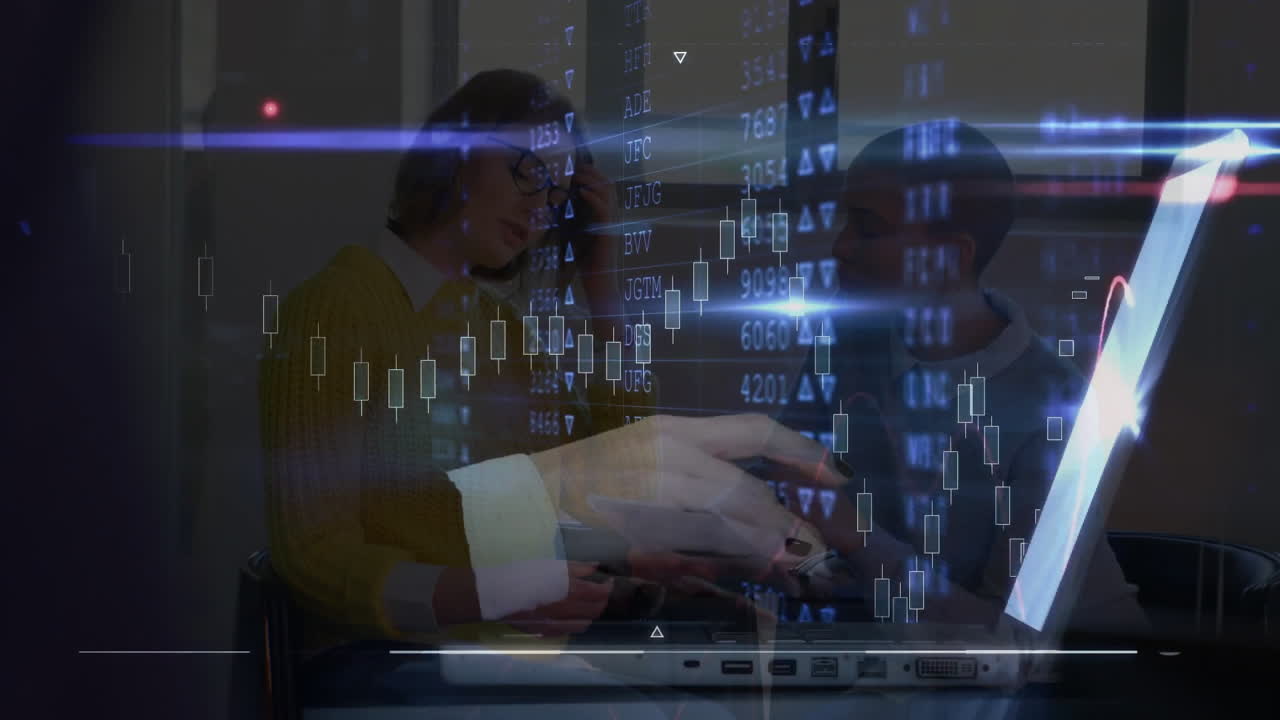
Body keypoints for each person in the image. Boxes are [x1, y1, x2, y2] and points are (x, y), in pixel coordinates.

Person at [257, 69, 839, 693]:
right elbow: (314, 553)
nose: (541, 208)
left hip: (501, 645)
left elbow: (622, 471)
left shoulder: (494, 327)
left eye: (559, 194)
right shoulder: (336, 307)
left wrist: (601, 282)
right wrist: (491, 594)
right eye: (529, 171)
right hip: (386, 658)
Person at [771, 121, 1148, 641]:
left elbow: (1010, 642)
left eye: (869, 230)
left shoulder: (1053, 406)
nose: (841, 247)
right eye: (847, 222)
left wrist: (854, 536)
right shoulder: (849, 341)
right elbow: (785, 488)